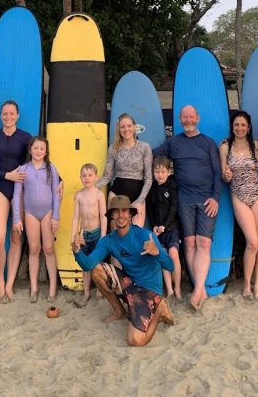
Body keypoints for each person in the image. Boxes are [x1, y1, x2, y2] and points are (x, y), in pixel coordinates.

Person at [71, 195, 175, 347]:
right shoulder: (108, 240)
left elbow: (170, 266)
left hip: (149, 290)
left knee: (135, 341)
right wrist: (77, 251)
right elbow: (88, 265)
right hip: (129, 284)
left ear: (130, 214)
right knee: (96, 270)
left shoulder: (146, 236)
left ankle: (159, 310)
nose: (121, 215)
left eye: (124, 211)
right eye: (116, 211)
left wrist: (157, 253)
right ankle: (119, 311)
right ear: (111, 215)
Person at [154, 104, 222, 311]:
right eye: (184, 117)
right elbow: (152, 155)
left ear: (197, 118)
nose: (188, 120)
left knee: (204, 242)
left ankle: (198, 288)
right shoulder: (174, 143)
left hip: (206, 199)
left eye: (191, 117)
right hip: (184, 199)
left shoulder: (208, 142)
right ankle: (199, 290)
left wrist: (215, 198)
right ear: (180, 119)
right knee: (190, 243)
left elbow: (217, 172)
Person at [219, 111, 258, 300]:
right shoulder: (225, 146)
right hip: (238, 195)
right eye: (237, 124)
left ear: (249, 127)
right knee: (252, 242)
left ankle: (257, 285)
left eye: (243, 125)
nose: (240, 128)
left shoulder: (255, 146)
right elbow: (224, 175)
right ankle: (246, 285)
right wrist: (226, 175)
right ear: (232, 127)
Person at [0, 100, 31, 303]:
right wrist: (6, 175)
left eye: (11, 113)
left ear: (17, 115)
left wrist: (59, 180)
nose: (8, 117)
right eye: (5, 114)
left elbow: (38, 161)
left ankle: (10, 284)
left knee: (16, 238)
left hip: (19, 190)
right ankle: (0, 284)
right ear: (0, 115)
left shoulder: (26, 138)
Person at [12, 135, 61, 302]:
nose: (39, 151)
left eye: (42, 148)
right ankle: (34, 288)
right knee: (34, 249)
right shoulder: (23, 169)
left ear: (46, 151)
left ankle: (53, 287)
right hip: (30, 213)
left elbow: (56, 193)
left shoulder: (51, 168)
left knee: (48, 248)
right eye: (36, 148)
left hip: (48, 213)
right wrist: (16, 218)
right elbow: (17, 194)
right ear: (30, 150)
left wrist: (55, 216)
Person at [97, 113, 153, 226]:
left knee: (136, 232)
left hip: (138, 195)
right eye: (122, 127)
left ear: (134, 127)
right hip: (117, 192)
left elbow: (148, 179)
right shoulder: (113, 148)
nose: (126, 129)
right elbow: (107, 176)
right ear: (119, 130)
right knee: (115, 231)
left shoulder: (145, 147)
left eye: (129, 126)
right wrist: (92, 187)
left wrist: (140, 201)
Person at [146, 156, 182, 300]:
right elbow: (150, 209)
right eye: (157, 172)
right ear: (153, 172)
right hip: (158, 230)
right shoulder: (152, 188)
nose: (160, 175)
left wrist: (165, 226)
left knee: (173, 253)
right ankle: (169, 289)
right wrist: (155, 226)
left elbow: (174, 208)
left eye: (163, 172)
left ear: (168, 172)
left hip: (171, 228)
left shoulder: (172, 186)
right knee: (162, 256)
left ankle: (177, 288)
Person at [71, 163, 107, 305]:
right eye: (84, 175)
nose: (87, 178)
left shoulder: (99, 195)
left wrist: (103, 236)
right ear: (80, 177)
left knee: (97, 264)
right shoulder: (79, 196)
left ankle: (99, 290)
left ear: (96, 177)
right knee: (85, 265)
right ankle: (86, 292)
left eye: (90, 175)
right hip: (84, 235)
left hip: (97, 234)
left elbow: (103, 216)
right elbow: (76, 217)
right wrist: (73, 236)